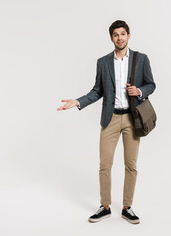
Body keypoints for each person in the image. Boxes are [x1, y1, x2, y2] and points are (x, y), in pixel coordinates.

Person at [57, 20, 156, 224]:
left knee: (131, 164)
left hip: (132, 118)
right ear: (111, 38)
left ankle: (127, 207)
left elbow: (151, 84)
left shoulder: (141, 59)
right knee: (105, 165)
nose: (119, 38)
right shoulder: (103, 62)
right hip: (109, 119)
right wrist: (77, 101)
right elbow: (97, 91)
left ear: (129, 35)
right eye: (115, 35)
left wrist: (139, 91)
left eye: (122, 34)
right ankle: (105, 206)